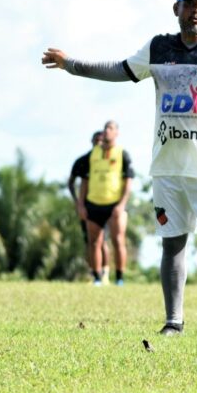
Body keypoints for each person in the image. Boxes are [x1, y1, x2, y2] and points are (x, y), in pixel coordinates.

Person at [42, 0, 197, 337]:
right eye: (189, 4)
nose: (196, 10)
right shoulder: (158, 47)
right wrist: (71, 65)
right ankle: (174, 322)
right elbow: (119, 69)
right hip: (168, 168)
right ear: (177, 10)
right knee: (173, 244)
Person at [78, 120, 134, 287]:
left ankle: (119, 278)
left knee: (118, 240)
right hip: (94, 203)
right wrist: (81, 204)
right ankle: (96, 278)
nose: (107, 131)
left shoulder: (122, 154)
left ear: (117, 132)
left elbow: (128, 182)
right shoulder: (92, 154)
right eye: (105, 128)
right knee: (94, 242)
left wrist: (121, 204)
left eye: (110, 128)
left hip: (115, 205)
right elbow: (84, 181)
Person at [68, 130, 111, 284]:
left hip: (104, 205)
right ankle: (94, 273)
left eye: (102, 141)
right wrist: (78, 202)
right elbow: (71, 182)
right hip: (87, 207)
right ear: (92, 141)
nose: (99, 144)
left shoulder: (109, 161)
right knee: (90, 241)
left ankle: (105, 272)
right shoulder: (84, 160)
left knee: (102, 241)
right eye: (96, 141)